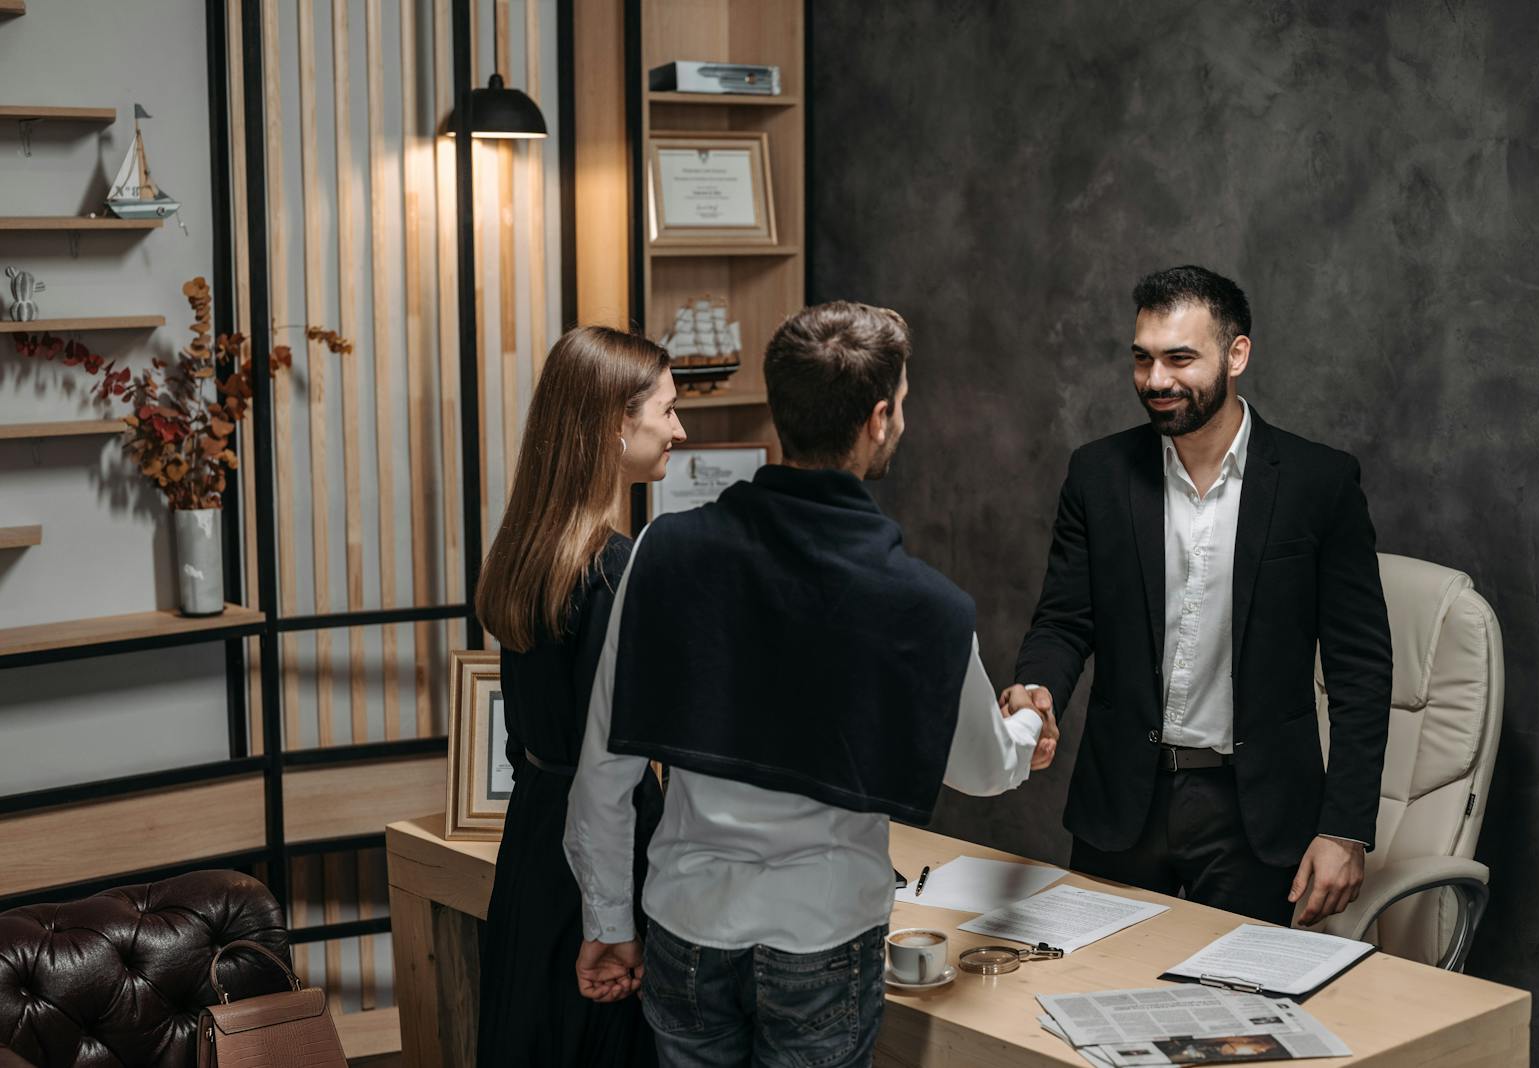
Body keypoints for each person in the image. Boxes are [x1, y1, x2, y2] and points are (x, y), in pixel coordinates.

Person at [563, 301, 1059, 1067]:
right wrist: (1026, 725)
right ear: (879, 420)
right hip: (821, 938)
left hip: (685, 930)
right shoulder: (923, 605)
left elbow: (604, 771)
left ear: (780, 409)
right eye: (901, 406)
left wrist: (607, 923)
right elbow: (983, 767)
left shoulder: (663, 552)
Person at [1007, 266, 1392, 927]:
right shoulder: (1097, 475)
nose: (1156, 380)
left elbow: (1360, 668)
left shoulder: (1320, 485)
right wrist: (1035, 689)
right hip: (1121, 800)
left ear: (1236, 355)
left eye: (1179, 359)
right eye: (1143, 359)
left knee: (1236, 995)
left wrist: (1346, 827)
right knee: (1089, 980)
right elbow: (1064, 621)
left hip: (1257, 813)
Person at [475, 326, 686, 1067]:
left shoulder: (522, 553)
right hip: (605, 853)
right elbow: (612, 769)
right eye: (667, 411)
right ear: (613, 425)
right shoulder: (615, 568)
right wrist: (614, 917)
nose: (679, 431)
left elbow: (524, 740)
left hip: (533, 833)